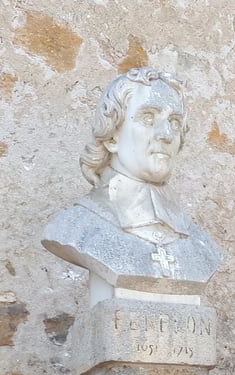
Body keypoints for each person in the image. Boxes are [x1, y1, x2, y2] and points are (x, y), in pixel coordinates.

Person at [42, 67, 220, 305]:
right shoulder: (76, 228)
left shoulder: (199, 243)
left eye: (175, 122)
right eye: (149, 118)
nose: (166, 134)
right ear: (113, 136)